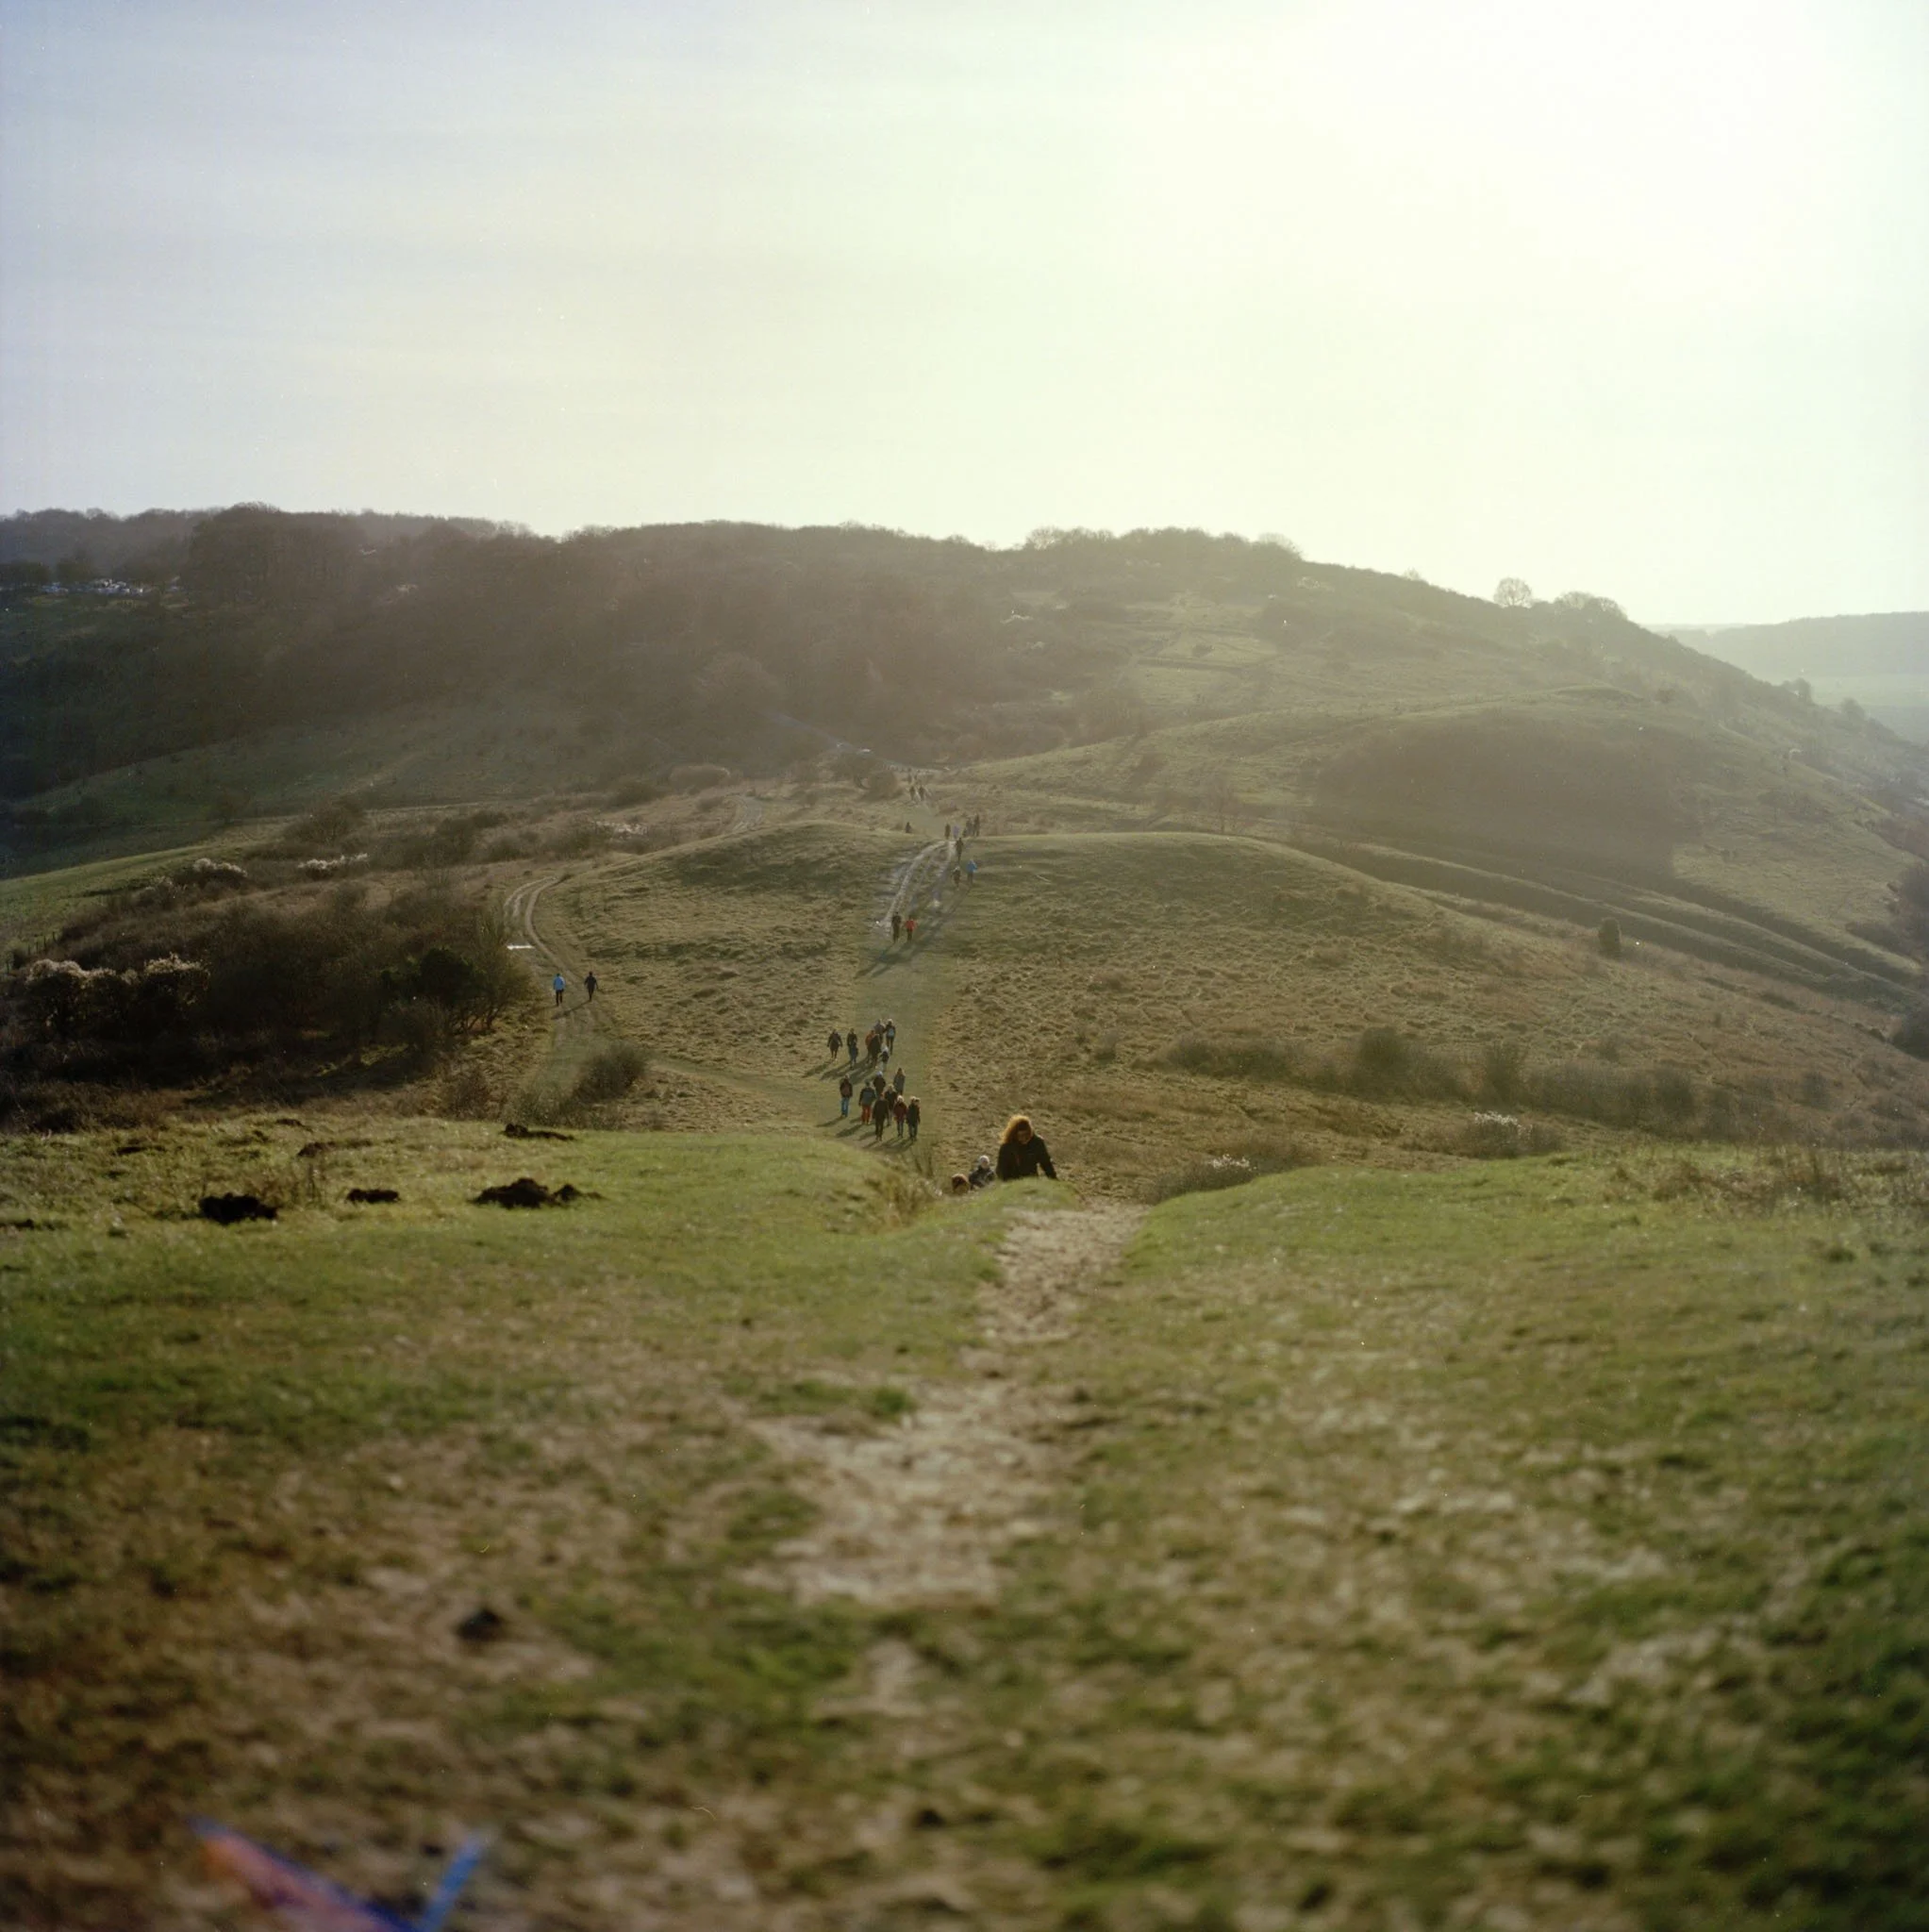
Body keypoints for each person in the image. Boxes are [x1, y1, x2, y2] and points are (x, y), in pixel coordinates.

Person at [996, 1114, 1057, 1181]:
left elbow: (1046, 1164)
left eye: (1026, 1135)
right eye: (1021, 1136)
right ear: (1015, 1135)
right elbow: (1001, 1170)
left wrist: (1055, 1181)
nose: (1024, 1138)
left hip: (1032, 1181)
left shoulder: (1037, 1143)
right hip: (1013, 1183)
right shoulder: (1007, 1147)